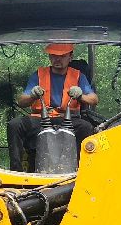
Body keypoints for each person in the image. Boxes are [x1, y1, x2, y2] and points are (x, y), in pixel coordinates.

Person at [9, 42, 98, 171]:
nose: (57, 59)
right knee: (14, 125)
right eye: (53, 55)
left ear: (70, 57)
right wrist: (32, 95)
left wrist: (80, 96)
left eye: (61, 56)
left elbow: (94, 99)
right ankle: (16, 172)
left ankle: (85, 170)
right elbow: (22, 101)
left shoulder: (78, 76)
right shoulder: (39, 75)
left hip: (68, 119)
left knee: (87, 128)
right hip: (41, 119)